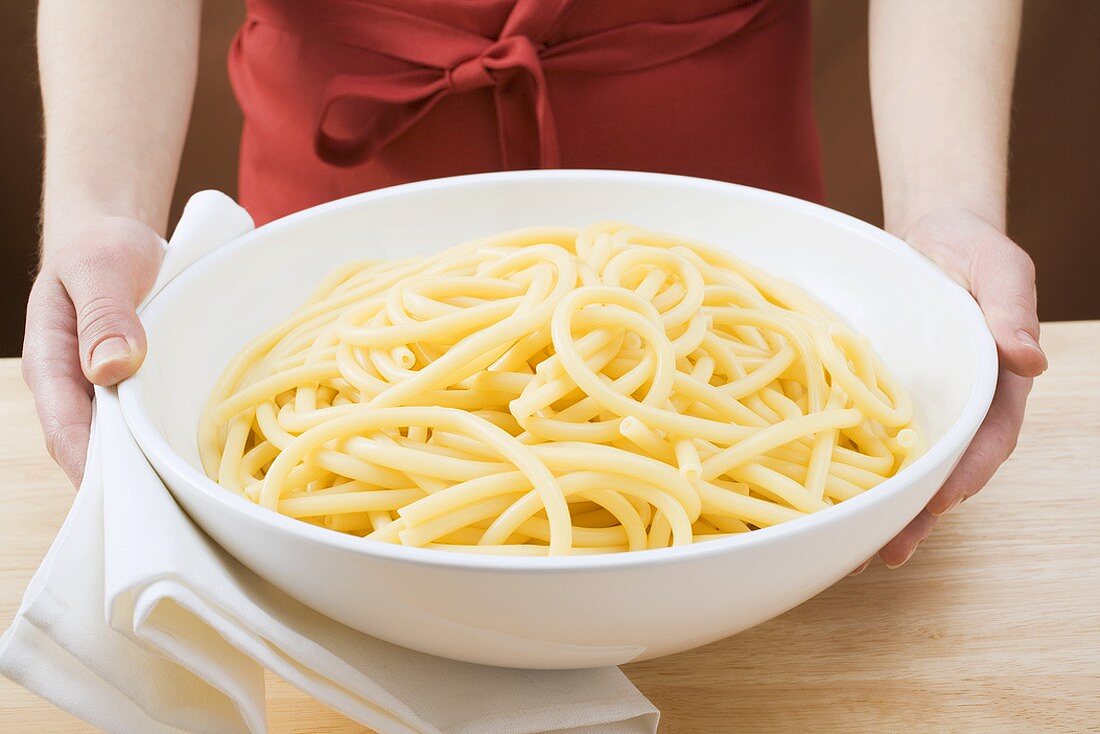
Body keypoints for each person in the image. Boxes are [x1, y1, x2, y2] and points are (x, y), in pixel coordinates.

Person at [24, 0, 1045, 571]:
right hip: (325, 255)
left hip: (733, 265)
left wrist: (938, 210)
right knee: (314, 481)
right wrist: (98, 207)